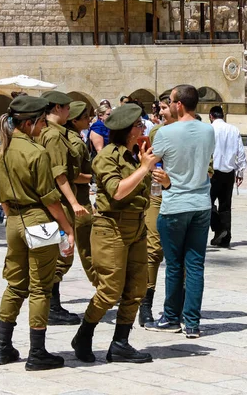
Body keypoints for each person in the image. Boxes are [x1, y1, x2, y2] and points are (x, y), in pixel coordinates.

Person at [0, 95, 75, 371]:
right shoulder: (36, 153)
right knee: (40, 287)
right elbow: (50, 199)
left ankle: (3, 347)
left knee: (15, 285)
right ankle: (37, 352)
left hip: (14, 222)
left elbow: (1, 196)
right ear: (28, 123)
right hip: (38, 219)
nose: (41, 128)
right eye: (39, 123)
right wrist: (67, 227)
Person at [71, 103, 158, 363]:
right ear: (127, 130)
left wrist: (158, 177)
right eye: (139, 125)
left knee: (136, 288)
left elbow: (142, 187)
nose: (143, 128)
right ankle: (84, 334)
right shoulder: (106, 157)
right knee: (109, 289)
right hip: (112, 228)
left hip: (136, 227)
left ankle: (120, 343)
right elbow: (117, 191)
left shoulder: (135, 154)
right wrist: (144, 168)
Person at [145, 85, 215, 338]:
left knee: (174, 265)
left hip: (175, 204)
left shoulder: (165, 132)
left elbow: (151, 161)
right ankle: (193, 323)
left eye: (171, 101)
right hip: (201, 204)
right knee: (195, 265)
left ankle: (171, 317)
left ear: (179, 105)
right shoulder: (209, 130)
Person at [38, 90, 87, 326]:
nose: (70, 111)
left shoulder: (45, 132)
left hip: (49, 201)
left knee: (51, 254)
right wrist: (74, 202)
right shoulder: (55, 135)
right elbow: (59, 174)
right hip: (59, 201)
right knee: (61, 254)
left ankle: (47, 304)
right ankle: (51, 307)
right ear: (57, 108)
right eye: (67, 107)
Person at [138, 95, 175, 327]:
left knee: (177, 255)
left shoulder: (196, 132)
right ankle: (145, 304)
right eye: (159, 108)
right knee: (153, 249)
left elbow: (207, 170)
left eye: (164, 107)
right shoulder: (156, 133)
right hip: (156, 197)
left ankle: (174, 307)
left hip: (181, 197)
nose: (160, 113)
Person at [64, 101, 94, 283]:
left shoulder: (71, 137)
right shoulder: (75, 142)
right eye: (85, 117)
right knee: (88, 249)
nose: (89, 120)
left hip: (75, 200)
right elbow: (71, 176)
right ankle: (104, 288)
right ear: (74, 121)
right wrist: (94, 177)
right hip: (79, 201)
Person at [208, 105, 247, 247]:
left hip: (213, 172)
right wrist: (240, 171)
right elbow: (240, 151)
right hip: (229, 172)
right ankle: (225, 238)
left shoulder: (210, 129)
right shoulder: (234, 129)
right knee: (225, 206)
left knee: (207, 203)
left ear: (211, 116)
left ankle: (219, 228)